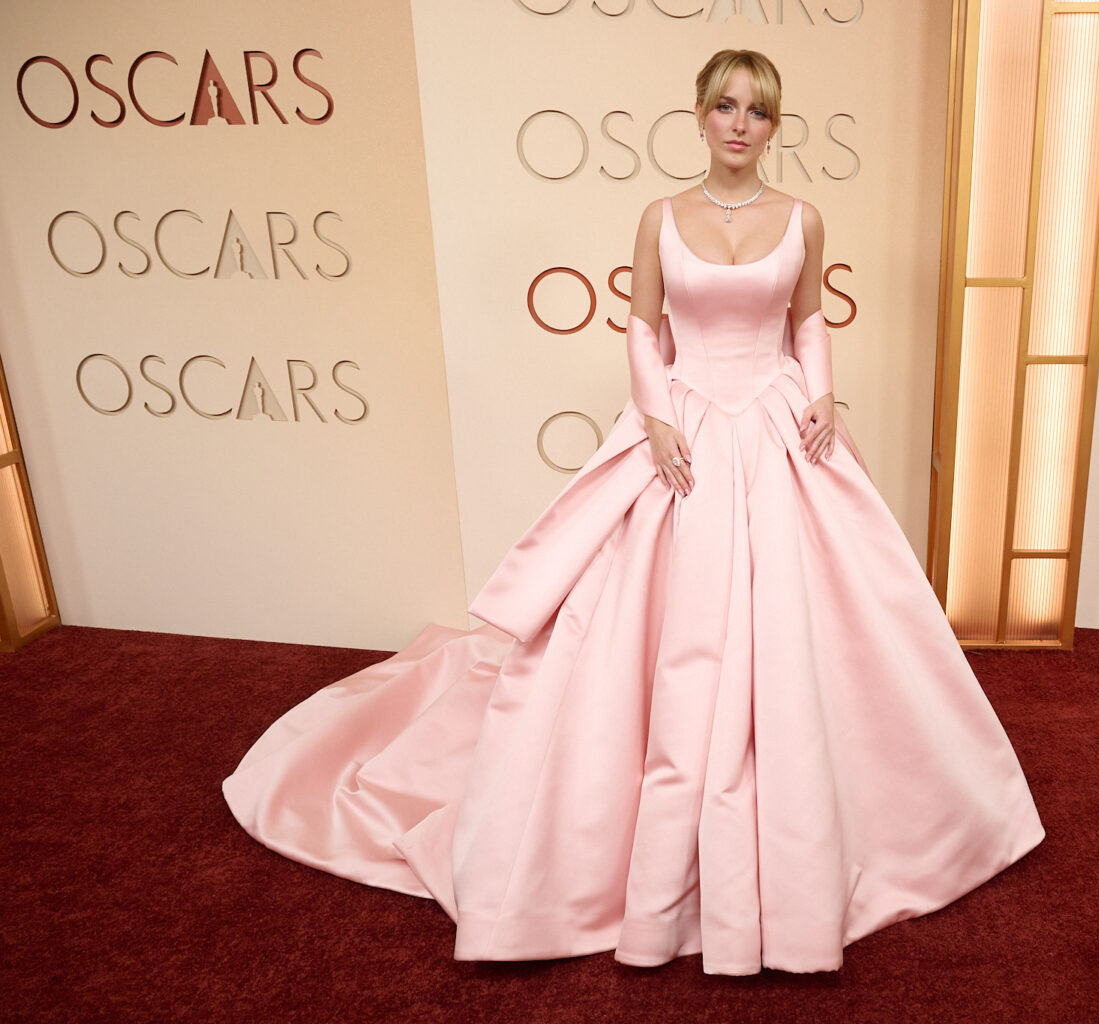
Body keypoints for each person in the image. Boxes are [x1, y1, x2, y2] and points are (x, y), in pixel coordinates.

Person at [223, 49, 1044, 976]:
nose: (742, 124)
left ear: (775, 126)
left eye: (761, 112)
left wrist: (820, 396)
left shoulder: (803, 218)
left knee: (826, 623)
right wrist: (655, 420)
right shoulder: (659, 217)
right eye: (728, 106)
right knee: (655, 633)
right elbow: (642, 328)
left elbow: (808, 320)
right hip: (684, 426)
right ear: (699, 113)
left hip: (777, 424)